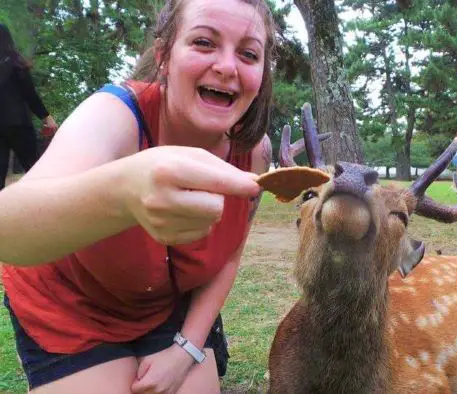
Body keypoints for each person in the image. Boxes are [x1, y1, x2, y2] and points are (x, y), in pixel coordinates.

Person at [0, 0, 275, 392]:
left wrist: (187, 348)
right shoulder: (114, 114)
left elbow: (229, 254)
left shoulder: (255, 152)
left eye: (249, 53)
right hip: (70, 306)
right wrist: (124, 194)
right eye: (203, 42)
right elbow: (6, 229)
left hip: (163, 305)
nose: (228, 67)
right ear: (164, 56)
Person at [0, 23, 58, 190]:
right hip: (19, 125)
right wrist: (47, 118)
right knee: (35, 170)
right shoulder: (17, 63)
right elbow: (30, 95)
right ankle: (46, 205)